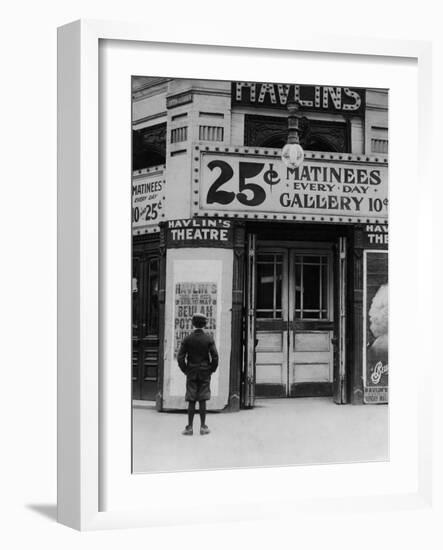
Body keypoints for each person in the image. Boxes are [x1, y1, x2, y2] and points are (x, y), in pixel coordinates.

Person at [177, 313, 219, 436]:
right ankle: (203, 427)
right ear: (204, 324)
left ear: (193, 323)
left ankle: (189, 427)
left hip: (191, 371)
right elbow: (215, 357)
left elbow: (180, 357)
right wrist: (211, 369)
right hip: (205, 372)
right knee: (202, 398)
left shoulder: (187, 339)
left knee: (191, 398)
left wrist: (186, 370)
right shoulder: (209, 339)